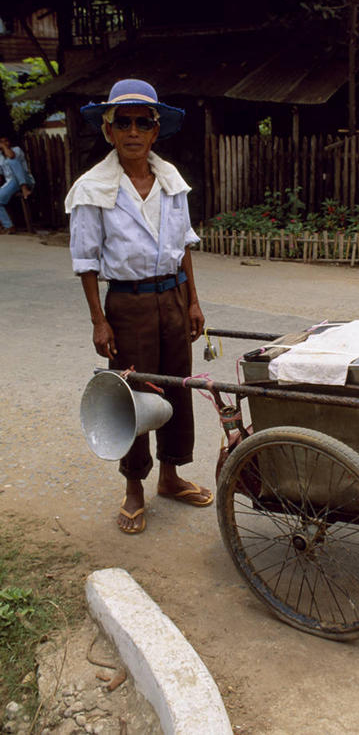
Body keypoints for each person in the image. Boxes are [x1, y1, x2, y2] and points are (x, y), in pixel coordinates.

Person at [64, 79, 213, 534]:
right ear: (108, 131)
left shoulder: (170, 181)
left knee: (176, 388)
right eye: (122, 123)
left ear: (155, 131)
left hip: (172, 298)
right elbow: (87, 263)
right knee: (135, 394)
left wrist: (192, 301)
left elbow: (184, 246)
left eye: (142, 123)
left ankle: (170, 477)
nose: (132, 131)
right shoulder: (93, 189)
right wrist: (99, 320)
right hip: (127, 304)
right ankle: (134, 487)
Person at [0, 136, 35, 234]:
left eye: (6, 141)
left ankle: (24, 187)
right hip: (11, 183)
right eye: (1, 142)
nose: (4, 143)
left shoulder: (16, 150)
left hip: (26, 179)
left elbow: (11, 156)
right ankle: (9, 226)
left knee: (12, 161)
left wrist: (3, 146)